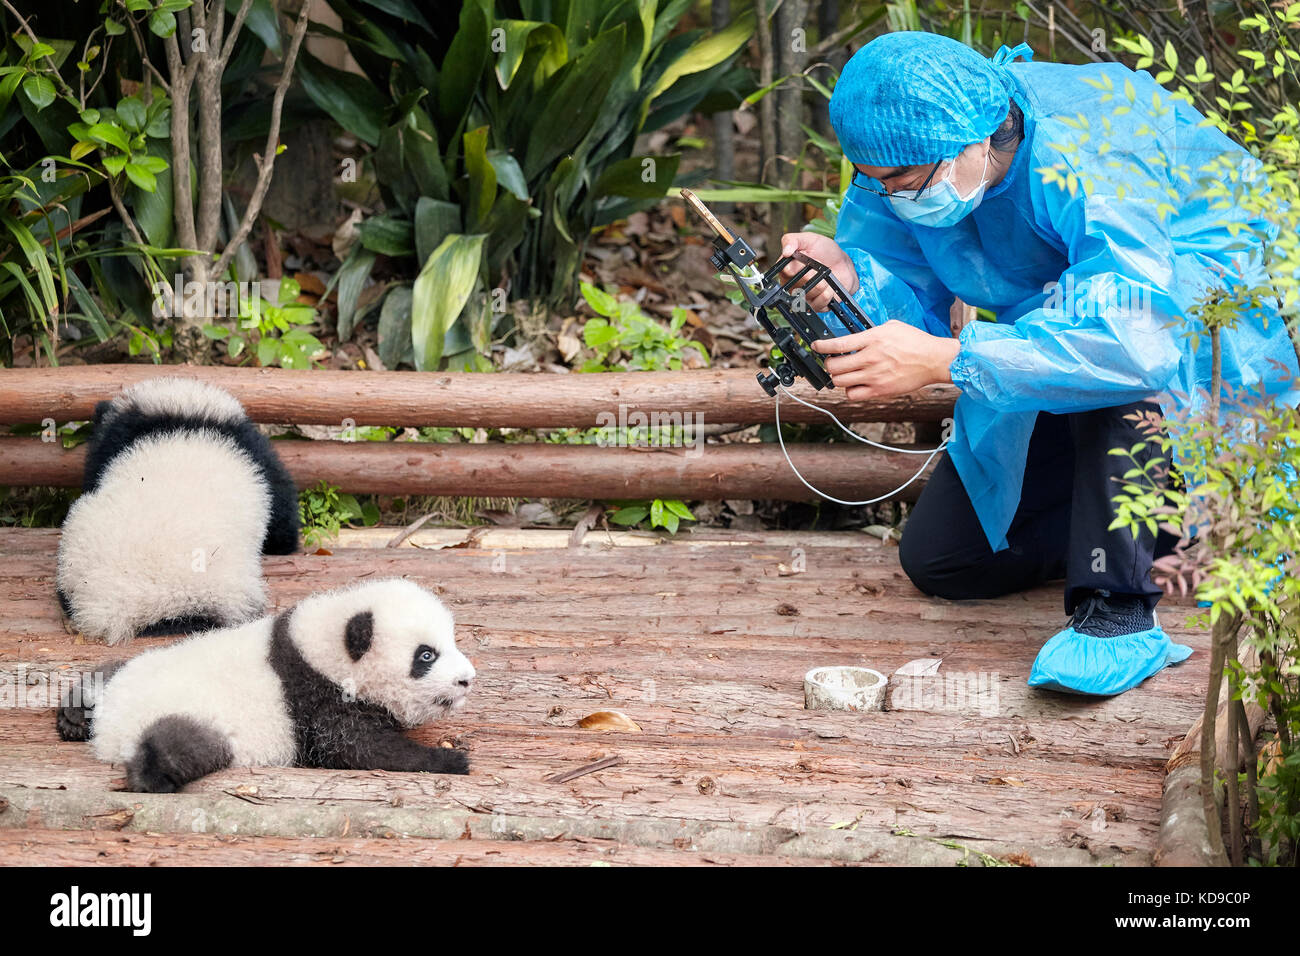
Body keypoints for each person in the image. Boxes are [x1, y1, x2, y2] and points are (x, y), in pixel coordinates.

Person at [779, 31, 1300, 696]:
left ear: (982, 139)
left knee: (1109, 379)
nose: (890, 198)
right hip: (1056, 323)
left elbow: (1134, 338)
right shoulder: (903, 164)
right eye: (872, 182)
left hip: (1190, 315)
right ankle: (1168, 527)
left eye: (903, 183)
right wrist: (851, 283)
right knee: (948, 561)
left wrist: (952, 358)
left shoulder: (1090, 148)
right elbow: (910, 307)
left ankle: (1116, 613)